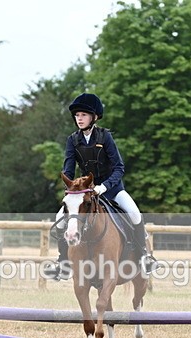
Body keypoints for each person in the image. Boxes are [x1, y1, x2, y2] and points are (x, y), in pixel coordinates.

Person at [44, 93, 157, 281]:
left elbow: (119, 168)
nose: (79, 119)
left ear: (94, 117)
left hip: (112, 190)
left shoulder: (105, 137)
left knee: (135, 213)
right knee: (59, 218)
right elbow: (68, 170)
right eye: (77, 115)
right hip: (85, 192)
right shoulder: (73, 140)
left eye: (84, 115)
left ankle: (144, 257)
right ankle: (63, 263)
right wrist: (72, 188)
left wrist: (103, 187)